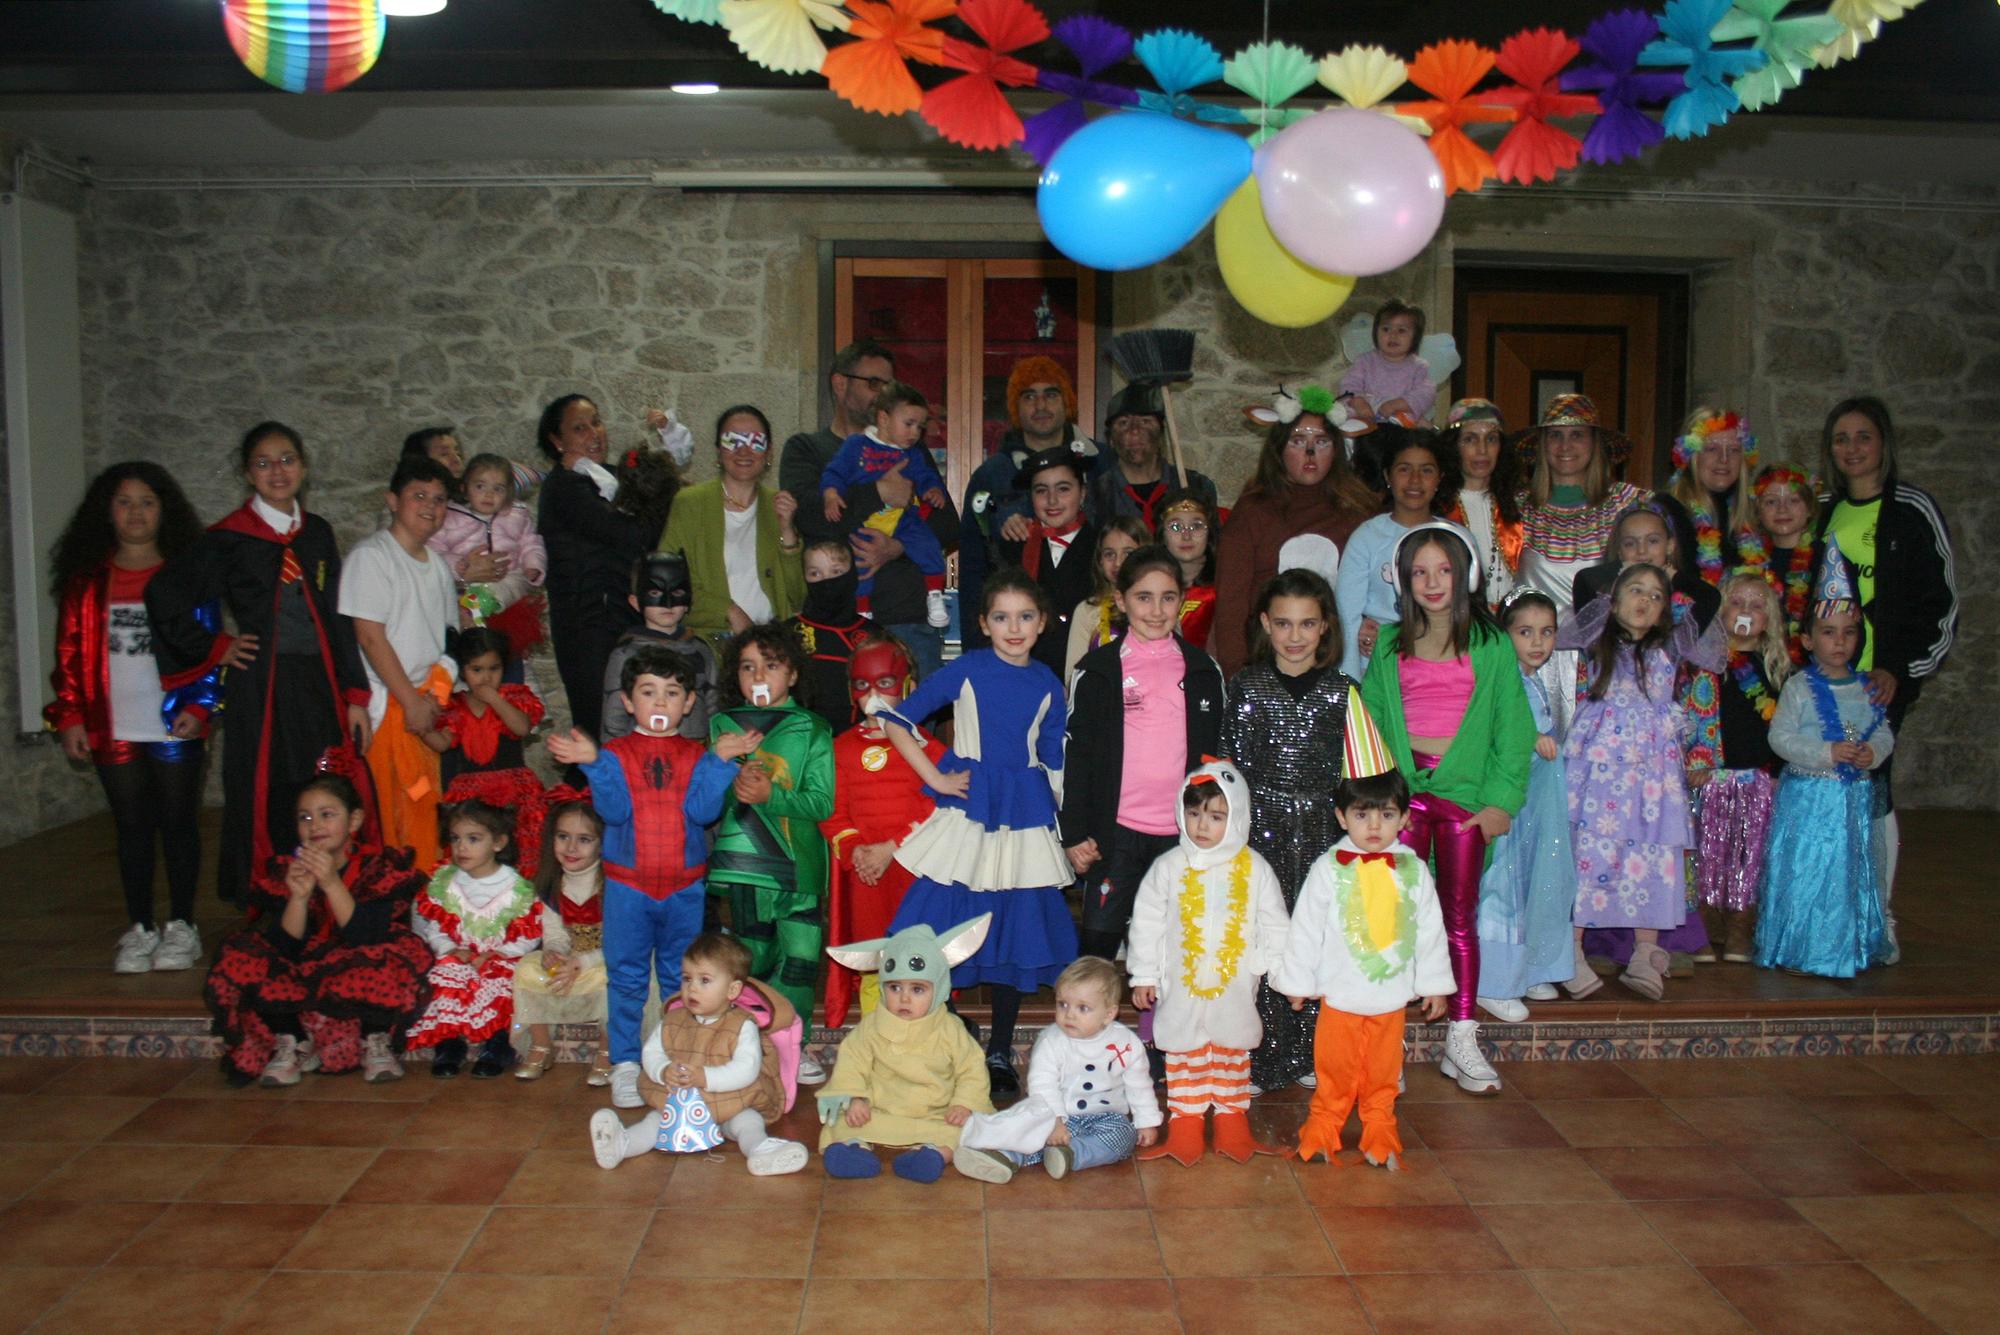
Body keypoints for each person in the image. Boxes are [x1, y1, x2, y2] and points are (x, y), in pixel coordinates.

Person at [147, 422, 371, 903]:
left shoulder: (317, 534)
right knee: (269, 785)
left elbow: (336, 617)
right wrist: (215, 646)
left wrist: (355, 695)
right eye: (264, 463)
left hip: (318, 684)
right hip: (261, 685)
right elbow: (164, 593)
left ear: (304, 467)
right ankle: (274, 892)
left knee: (325, 781)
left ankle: (330, 891)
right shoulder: (229, 538)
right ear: (248, 473)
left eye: (287, 459)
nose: (278, 471)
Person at [875, 571, 1078, 1093]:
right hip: (969, 807)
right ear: (984, 623)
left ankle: (1000, 1049)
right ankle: (936, 1034)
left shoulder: (1049, 685)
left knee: (1016, 926)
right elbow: (897, 720)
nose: (1015, 627)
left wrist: (1062, 833)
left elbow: (1053, 761)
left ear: (1041, 624)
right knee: (943, 919)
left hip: (1024, 814)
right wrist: (937, 776)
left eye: (1025, 616)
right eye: (1002, 617)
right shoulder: (966, 670)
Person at [1361, 523, 1533, 1094]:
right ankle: (1386, 1042)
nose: (1432, 582)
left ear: (1463, 575)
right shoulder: (1389, 643)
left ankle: (1462, 1034)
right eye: (1419, 572)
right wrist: (1381, 804)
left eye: (1443, 570)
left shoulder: (1491, 642)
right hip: (1401, 801)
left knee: (1458, 917)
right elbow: (1374, 724)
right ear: (1404, 580)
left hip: (1466, 798)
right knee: (1393, 917)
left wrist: (1500, 804)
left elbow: (1513, 730)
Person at [545, 646, 749, 1110]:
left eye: (672, 693)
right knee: (627, 979)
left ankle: (676, 1058)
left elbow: (703, 812)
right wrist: (594, 764)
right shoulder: (615, 755)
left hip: (683, 889)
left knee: (685, 982)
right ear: (627, 701)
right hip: (629, 889)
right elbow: (613, 810)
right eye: (649, 693)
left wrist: (718, 762)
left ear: (690, 703)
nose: (660, 703)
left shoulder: (697, 756)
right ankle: (626, 1064)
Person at [47, 462, 219, 974]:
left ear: (164, 509)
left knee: (178, 821)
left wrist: (198, 705)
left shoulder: (186, 575)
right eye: (125, 502)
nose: (136, 512)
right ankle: (141, 926)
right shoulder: (87, 583)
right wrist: (70, 715)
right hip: (112, 722)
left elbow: (208, 648)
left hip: (172, 721)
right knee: (132, 826)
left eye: (147, 501)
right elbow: (70, 654)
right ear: (107, 512)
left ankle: (182, 926)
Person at [1273, 717, 1454, 1171]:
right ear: (1341, 816)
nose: (1374, 826)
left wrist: (1433, 984)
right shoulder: (1328, 867)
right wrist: (1297, 980)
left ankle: (1380, 1127)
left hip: (1391, 996)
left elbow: (1430, 928)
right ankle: (1323, 1128)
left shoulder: (1413, 868)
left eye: (1387, 814)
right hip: (1340, 993)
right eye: (1361, 814)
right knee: (1333, 1068)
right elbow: (1306, 928)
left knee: (1383, 1071)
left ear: (1405, 817)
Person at [1814, 396, 1957, 959]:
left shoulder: (1913, 509)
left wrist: (1902, 671)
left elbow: (1940, 604)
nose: (1852, 449)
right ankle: (1825, 910)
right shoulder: (1822, 509)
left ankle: (1879, 916)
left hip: (1879, 683)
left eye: (1863, 437)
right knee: (1822, 791)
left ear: (1884, 443)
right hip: (1822, 679)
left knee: (1873, 790)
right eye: (1841, 439)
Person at [1558, 563, 1725, 1001]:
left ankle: (1645, 951)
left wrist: (1676, 574)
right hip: (1600, 772)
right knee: (1591, 851)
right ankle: (1570, 950)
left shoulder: (1671, 645)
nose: (1645, 600)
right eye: (1635, 590)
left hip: (1651, 776)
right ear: (1612, 601)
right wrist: (1628, 565)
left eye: (1656, 595)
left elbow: (1709, 599)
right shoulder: (1598, 641)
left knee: (1650, 852)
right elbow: (1581, 584)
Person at [203, 772, 431, 1086]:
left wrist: (331, 884)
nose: (315, 826)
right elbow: (284, 946)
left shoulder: (380, 867)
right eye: (305, 817)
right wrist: (299, 896)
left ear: (354, 821)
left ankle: (373, 1039)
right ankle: (294, 1041)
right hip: (310, 962)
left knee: (385, 956)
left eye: (327, 815)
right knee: (245, 955)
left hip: (359, 957)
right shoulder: (288, 868)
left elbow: (366, 935)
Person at [1220, 568, 1353, 1094]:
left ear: (1325, 627)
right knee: (1261, 940)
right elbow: (1233, 770)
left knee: (1314, 941)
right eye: (1283, 623)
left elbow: (1354, 773)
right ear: (1265, 624)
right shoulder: (1247, 685)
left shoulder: (1344, 692)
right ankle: (1255, 1054)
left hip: (1323, 833)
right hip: (1261, 834)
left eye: (1307, 624)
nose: (1295, 636)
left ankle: (1310, 1052)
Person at [1061, 545, 1226, 962]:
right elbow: (1075, 758)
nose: (1156, 610)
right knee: (1099, 943)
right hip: (1114, 834)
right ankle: (1092, 1026)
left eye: (1168, 598)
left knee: (1175, 946)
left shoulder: (1204, 671)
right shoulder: (1096, 671)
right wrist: (1075, 834)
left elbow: (1219, 759)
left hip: (1182, 834)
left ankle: (1168, 1028)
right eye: (1143, 597)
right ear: (1120, 600)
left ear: (1182, 601)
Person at [1125, 761, 1289, 1166]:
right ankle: (1187, 1126)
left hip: (1235, 984)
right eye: (1194, 813)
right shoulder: (1168, 867)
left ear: (1236, 818)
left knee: (1232, 1049)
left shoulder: (1255, 869)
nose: (1201, 825)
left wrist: (1279, 970)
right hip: (1181, 982)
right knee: (1184, 1051)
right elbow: (1146, 923)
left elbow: (1276, 924)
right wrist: (1144, 974)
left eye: (1216, 817)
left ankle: (1233, 1123)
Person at [1754, 559, 1893, 978]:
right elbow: (1779, 739)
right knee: (1808, 874)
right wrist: (1825, 752)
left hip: (1851, 802)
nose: (1840, 642)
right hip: (1810, 802)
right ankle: (1801, 948)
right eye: (1829, 633)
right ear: (1809, 641)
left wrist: (1874, 751)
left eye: (1849, 633)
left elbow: (1884, 733)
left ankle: (1845, 946)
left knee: (1846, 874)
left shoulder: (1866, 688)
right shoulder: (1798, 687)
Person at [588, 933, 809, 1176]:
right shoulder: (673, 1020)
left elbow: (747, 1068)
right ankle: (622, 1144)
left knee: (748, 1122)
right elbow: (652, 1051)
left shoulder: (742, 1024)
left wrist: (707, 1078)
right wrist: (662, 1070)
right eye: (686, 978)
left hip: (731, 1101)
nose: (692, 987)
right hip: (680, 1104)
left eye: (704, 980)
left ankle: (760, 1150)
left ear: (733, 989)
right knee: (654, 1121)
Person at [706, 625, 836, 1025]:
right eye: (748, 667)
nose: (759, 677)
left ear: (793, 673)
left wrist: (772, 796)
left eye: (771, 665)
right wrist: (726, 781)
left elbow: (822, 803)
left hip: (800, 869)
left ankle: (795, 1041)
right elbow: (707, 801)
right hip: (748, 869)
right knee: (754, 958)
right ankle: (752, 1036)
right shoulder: (722, 725)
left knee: (800, 960)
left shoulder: (813, 728)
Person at [340, 456, 460, 869]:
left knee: (424, 801)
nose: (430, 506)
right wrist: (409, 700)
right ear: (393, 500)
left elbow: (447, 642)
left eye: (441, 499)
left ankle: (424, 891)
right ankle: (388, 898)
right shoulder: (372, 557)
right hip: (387, 707)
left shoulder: (439, 567)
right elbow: (370, 637)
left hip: (423, 708)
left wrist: (434, 698)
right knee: (387, 811)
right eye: (419, 495)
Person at [820, 631, 941, 1028]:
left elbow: (940, 807)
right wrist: (858, 850)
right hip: (866, 876)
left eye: (884, 682)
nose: (872, 693)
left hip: (915, 871)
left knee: (917, 955)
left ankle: (922, 1038)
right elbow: (831, 810)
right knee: (874, 957)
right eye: (862, 684)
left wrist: (892, 846)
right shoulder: (839, 748)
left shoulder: (930, 749)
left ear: (909, 685)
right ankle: (879, 1037)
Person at [817, 917, 996, 1182]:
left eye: (917, 989)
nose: (904, 998)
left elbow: (971, 1068)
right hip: (879, 1110)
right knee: (839, 1123)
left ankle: (931, 1155)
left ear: (938, 988)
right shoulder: (871, 1027)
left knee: (964, 1131)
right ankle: (852, 1149)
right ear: (882, 987)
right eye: (894, 987)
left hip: (936, 1113)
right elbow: (852, 1063)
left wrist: (964, 1103)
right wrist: (855, 1098)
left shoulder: (950, 1029)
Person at [954, 956, 1163, 1182]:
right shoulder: (1052, 1041)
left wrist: (1147, 1121)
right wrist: (1056, 1121)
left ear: (1109, 1014)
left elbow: (1139, 1085)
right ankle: (1004, 1156)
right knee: (1030, 1130)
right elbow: (1042, 1085)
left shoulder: (1127, 1043)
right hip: (1055, 1112)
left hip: (1105, 1117)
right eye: (1063, 1004)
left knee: (1123, 1135)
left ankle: (1071, 1154)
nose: (1069, 1014)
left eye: (1083, 1008)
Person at [1211, 395, 1377, 675]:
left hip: (1341, 664)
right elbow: (1231, 600)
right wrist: (1237, 672)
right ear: (1279, 449)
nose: (1310, 453)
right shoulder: (1253, 511)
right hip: (1265, 664)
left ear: (1336, 450)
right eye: (1298, 441)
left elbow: (1376, 591)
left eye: (1321, 442)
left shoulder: (1359, 511)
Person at [536, 393, 666, 744]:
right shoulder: (566, 487)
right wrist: (664, 500)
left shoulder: (607, 480)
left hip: (620, 619)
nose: (594, 432)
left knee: (631, 731)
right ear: (557, 440)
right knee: (599, 730)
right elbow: (630, 536)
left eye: (596, 421)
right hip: (589, 628)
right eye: (579, 427)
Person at [1474, 591, 1577, 1010]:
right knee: (1502, 885)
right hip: (1510, 799)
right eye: (1525, 632)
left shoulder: (1530, 679)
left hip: (1538, 803)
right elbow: (1498, 725)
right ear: (1505, 634)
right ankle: (1493, 981)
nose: (1538, 642)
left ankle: (1532, 966)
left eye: (1547, 632)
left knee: (1539, 878)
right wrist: (1530, 737)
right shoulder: (1502, 678)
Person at [960, 356, 1100, 651]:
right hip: (1019, 644)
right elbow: (974, 570)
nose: (1040, 405)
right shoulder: (991, 474)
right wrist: (975, 650)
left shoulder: (1099, 464)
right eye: (1029, 396)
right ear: (1015, 406)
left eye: (1051, 394)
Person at [404, 799, 542, 1079]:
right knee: (446, 977)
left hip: (500, 958)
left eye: (473, 839)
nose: (462, 847)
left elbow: (530, 931)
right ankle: (450, 1043)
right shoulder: (446, 883)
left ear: (498, 843)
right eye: (455, 839)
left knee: (503, 984)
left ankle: (499, 1044)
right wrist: (451, 948)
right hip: (459, 954)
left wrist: (501, 952)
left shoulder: (515, 887)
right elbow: (436, 926)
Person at [1696, 573, 1790, 965]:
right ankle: (1700, 927)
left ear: (1768, 619)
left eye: (1756, 605)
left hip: (1754, 781)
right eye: (1738, 602)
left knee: (1745, 859)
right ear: (1721, 610)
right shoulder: (1704, 662)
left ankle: (1739, 927)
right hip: (1709, 779)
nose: (1746, 612)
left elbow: (1785, 725)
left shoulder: (1780, 672)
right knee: (1704, 855)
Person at [658, 405, 806, 650]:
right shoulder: (690, 503)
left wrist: (788, 533)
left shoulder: (780, 505)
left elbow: (798, 596)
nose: (744, 450)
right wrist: (729, 612)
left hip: (772, 648)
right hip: (709, 647)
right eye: (732, 440)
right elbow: (671, 582)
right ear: (718, 451)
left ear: (768, 452)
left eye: (755, 441)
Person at [819, 381, 951, 627]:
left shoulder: (913, 453)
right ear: (883, 419)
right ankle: (862, 611)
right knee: (861, 561)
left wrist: (932, 489)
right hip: (867, 520)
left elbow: (925, 476)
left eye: (920, 427)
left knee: (927, 543)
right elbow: (834, 472)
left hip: (903, 518)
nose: (915, 433)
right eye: (909, 424)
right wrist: (830, 494)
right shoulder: (856, 446)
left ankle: (934, 593)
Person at [422, 627, 547, 874]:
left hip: (514, 790)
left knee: (519, 851)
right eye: (477, 670)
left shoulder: (514, 698)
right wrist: (423, 727)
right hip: (471, 795)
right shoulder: (456, 707)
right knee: (475, 852)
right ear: (463, 671)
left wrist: (496, 700)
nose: (486, 678)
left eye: (494, 669)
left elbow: (521, 728)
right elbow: (443, 743)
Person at [1336, 429, 1459, 679]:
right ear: (1387, 475)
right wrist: (1349, 685)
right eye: (1404, 469)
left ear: (1440, 478)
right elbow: (1346, 616)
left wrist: (1393, 635)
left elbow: (1467, 612)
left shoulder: (1456, 538)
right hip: (1377, 671)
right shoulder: (1367, 537)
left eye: (1426, 470)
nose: (1415, 480)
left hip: (1442, 670)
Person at [1512, 394, 1649, 619]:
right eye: (1555, 435)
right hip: (1531, 647)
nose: (1565, 446)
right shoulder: (1515, 508)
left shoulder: (1629, 505)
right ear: (1542, 445)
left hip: (1604, 649)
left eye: (1577, 435)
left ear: (1595, 443)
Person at [511, 794, 611, 1082]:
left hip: (604, 958)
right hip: (571, 959)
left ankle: (608, 1050)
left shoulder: (611, 886)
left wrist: (583, 962)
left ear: (602, 844)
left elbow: (622, 942)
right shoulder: (553, 886)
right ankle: (541, 1045)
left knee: (615, 980)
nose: (570, 847)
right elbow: (555, 933)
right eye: (563, 836)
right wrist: (553, 951)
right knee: (526, 969)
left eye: (584, 839)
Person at [428, 451, 547, 666]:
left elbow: (531, 542)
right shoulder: (451, 518)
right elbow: (434, 550)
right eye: (480, 486)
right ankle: (472, 619)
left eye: (498, 489)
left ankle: (478, 609)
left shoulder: (517, 515)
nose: (489, 495)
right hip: (468, 584)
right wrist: (458, 564)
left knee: (513, 584)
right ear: (464, 488)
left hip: (508, 578)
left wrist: (534, 565)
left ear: (509, 493)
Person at [997, 444, 1101, 677]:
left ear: (1082, 493)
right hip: (1025, 673)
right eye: (1041, 490)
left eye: (1063, 489)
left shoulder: (1102, 548)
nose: (1052, 500)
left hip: (1084, 672)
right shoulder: (1013, 545)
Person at [602, 551, 718, 742]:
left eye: (677, 592)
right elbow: (613, 720)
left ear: (689, 599)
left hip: (693, 755)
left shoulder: (700, 651)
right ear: (635, 602)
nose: (668, 603)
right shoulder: (624, 655)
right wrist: (614, 764)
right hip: (641, 758)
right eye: (654, 593)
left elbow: (714, 710)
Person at [1087, 382, 1218, 530]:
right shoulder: (1095, 496)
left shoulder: (1197, 487)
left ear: (1161, 434)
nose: (1134, 430)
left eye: (1145, 421)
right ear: (1110, 438)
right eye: (1123, 423)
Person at [1440, 399, 1522, 607]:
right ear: (1454, 446)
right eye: (1470, 439)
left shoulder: (1518, 503)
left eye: (1491, 439)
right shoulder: (1438, 507)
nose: (1482, 450)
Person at [1667, 409, 1760, 589]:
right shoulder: (1668, 512)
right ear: (1692, 456)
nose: (1724, 459)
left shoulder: (1752, 517)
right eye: (1711, 449)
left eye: (1733, 450)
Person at [787, 540, 871, 735]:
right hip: (800, 740)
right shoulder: (789, 633)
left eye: (836, 572)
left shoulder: (872, 635)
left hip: (856, 742)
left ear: (851, 575)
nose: (826, 581)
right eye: (815, 574)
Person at [1061, 517, 1147, 679]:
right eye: (1109, 554)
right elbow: (1073, 675)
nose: (1118, 563)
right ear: (1099, 560)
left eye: (1128, 553)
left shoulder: (1160, 606)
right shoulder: (1087, 610)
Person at [1750, 464, 1819, 660]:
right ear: (1758, 511)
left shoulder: (1827, 560)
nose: (1782, 509)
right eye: (1771, 502)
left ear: (1809, 508)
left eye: (1794, 500)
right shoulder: (1749, 561)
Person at [1339, 300, 1440, 426]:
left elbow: (1426, 393)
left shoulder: (1419, 366)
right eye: (1386, 329)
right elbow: (1349, 384)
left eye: (1401, 331)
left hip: (1402, 419)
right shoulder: (1365, 361)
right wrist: (1359, 402)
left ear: (1415, 337)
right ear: (1376, 332)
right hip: (1367, 417)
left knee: (1423, 428)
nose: (1393, 335)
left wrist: (1398, 404)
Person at [1160, 489, 1220, 649]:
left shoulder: (1223, 589)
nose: (1186, 536)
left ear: (1210, 534)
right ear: (1162, 534)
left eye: (1196, 526)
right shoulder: (1150, 588)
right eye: (1175, 527)